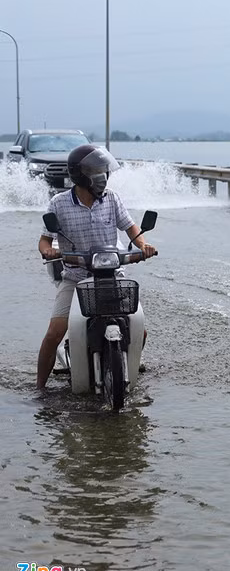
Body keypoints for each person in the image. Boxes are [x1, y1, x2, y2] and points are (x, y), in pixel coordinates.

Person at [36, 145, 157, 390]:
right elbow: (44, 240)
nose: (102, 174)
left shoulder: (112, 198)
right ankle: (38, 387)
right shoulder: (59, 204)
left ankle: (129, 362)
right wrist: (47, 250)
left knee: (139, 331)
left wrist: (143, 244)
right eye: (95, 169)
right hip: (76, 277)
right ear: (80, 174)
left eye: (103, 169)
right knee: (54, 333)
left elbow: (131, 228)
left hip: (112, 273)